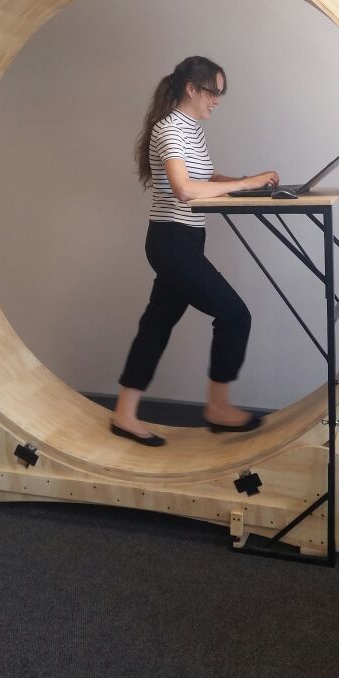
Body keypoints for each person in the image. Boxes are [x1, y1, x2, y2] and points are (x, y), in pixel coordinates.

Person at [111, 55, 279, 446]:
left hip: (185, 240)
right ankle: (218, 408)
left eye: (221, 93)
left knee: (156, 326)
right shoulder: (169, 130)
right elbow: (185, 190)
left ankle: (124, 412)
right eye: (213, 92)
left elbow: (204, 178)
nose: (217, 100)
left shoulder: (191, 129)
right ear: (192, 88)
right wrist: (244, 184)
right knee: (235, 315)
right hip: (171, 241)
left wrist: (246, 182)